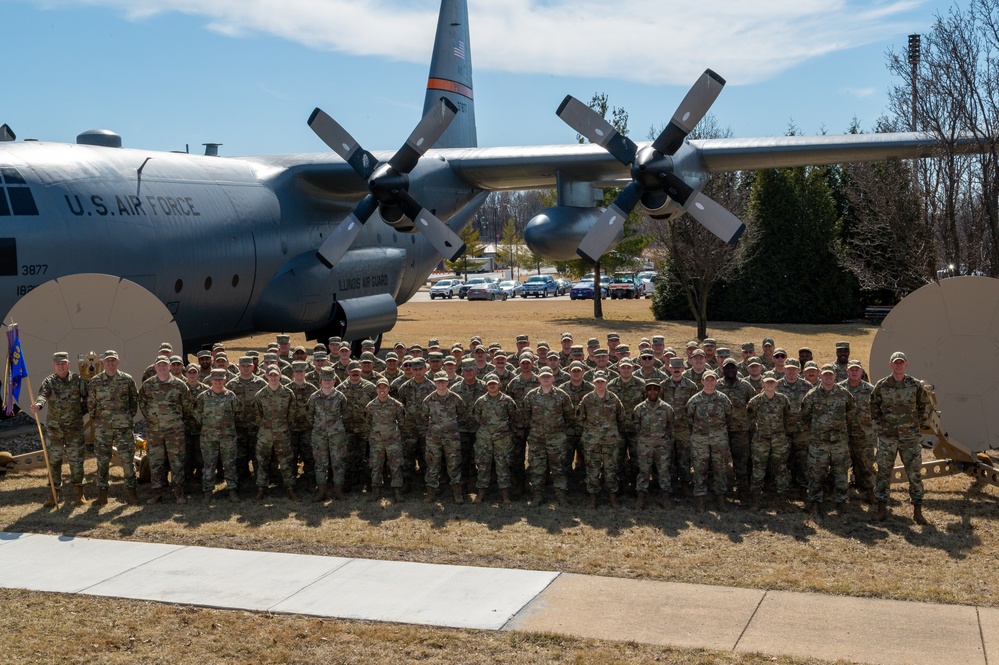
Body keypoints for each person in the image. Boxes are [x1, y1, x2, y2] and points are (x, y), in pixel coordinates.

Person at [872, 352, 932, 524]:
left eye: (901, 363)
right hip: (887, 438)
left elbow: (925, 406)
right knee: (883, 473)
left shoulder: (914, 385)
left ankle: (918, 511)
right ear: (890, 364)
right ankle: (882, 509)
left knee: (914, 474)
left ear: (906, 365)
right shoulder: (882, 385)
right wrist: (881, 426)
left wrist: (915, 424)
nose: (898, 366)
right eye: (895, 363)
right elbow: (873, 406)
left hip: (909, 438)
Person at [32, 351, 89, 505]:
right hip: (55, 429)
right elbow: (43, 395)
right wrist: (38, 404)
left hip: (74, 429)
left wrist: (79, 412)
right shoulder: (49, 381)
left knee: (76, 461)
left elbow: (88, 399)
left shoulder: (78, 381)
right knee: (54, 461)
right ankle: (54, 493)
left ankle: (79, 493)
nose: (61, 366)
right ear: (53, 366)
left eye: (63, 363)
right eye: (58, 364)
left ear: (68, 364)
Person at [799, 364, 857, 517]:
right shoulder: (812, 395)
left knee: (841, 473)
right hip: (819, 443)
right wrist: (815, 430)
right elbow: (804, 415)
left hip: (839, 442)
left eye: (831, 374)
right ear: (820, 376)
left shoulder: (844, 394)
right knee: (816, 474)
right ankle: (815, 501)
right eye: (825, 375)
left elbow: (851, 412)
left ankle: (842, 502)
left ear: (835, 376)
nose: (828, 377)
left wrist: (842, 428)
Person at [88, 350, 139, 506]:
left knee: (127, 460)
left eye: (113, 360)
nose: (110, 363)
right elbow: (91, 404)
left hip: (123, 427)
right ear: (103, 363)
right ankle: (102, 494)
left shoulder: (127, 380)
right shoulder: (95, 381)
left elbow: (133, 401)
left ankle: (131, 494)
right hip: (103, 428)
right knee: (102, 461)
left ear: (118, 362)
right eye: (107, 361)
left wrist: (126, 418)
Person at [139, 356, 193, 505]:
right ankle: (157, 493)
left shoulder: (179, 385)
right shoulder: (147, 385)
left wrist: (175, 420)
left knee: (177, 462)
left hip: (174, 431)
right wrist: (153, 419)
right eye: (159, 366)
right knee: (156, 462)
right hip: (154, 431)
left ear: (169, 367)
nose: (162, 368)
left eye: (164, 365)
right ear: (155, 368)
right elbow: (142, 404)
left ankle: (179, 493)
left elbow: (187, 406)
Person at [521, 367, 574, 507]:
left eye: (548, 376)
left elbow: (569, 416)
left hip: (557, 439)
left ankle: (561, 496)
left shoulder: (562, 396)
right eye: (543, 376)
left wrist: (561, 433)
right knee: (537, 468)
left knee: (559, 468)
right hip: (537, 439)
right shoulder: (531, 396)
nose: (545, 378)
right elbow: (525, 417)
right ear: (538, 379)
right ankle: (537, 496)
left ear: (553, 378)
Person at [576, 372, 625, 508]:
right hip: (592, 442)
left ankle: (612, 497)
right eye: (597, 382)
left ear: (607, 382)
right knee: (592, 470)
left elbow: (621, 418)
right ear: (593, 383)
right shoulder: (587, 399)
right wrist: (589, 432)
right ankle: (593, 497)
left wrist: (613, 433)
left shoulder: (613, 399)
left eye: (602, 382)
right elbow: (580, 418)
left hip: (610, 442)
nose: (600, 384)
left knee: (611, 470)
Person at [687, 370, 733, 513]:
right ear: (702, 381)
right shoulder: (694, 400)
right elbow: (689, 418)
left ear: (716, 382)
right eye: (707, 380)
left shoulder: (723, 399)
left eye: (712, 380)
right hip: (700, 440)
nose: (709, 382)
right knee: (700, 469)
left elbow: (729, 416)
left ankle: (720, 500)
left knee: (720, 469)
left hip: (719, 440)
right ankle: (700, 500)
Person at [747, 372, 792, 511]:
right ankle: (755, 501)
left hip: (779, 440)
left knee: (781, 469)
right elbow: (750, 418)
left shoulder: (783, 400)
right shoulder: (755, 401)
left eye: (772, 382)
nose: (770, 384)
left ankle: (783, 501)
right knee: (758, 471)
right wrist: (759, 432)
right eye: (767, 382)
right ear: (763, 384)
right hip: (761, 440)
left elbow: (787, 417)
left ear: (776, 383)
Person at [194, 368, 239, 502]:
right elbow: (196, 412)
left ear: (225, 380)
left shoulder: (231, 396)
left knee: (229, 464)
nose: (218, 382)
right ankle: (208, 491)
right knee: (209, 464)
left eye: (220, 379)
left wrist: (228, 424)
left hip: (227, 436)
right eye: (215, 379)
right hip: (208, 436)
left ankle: (231, 490)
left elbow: (238, 411)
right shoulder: (203, 396)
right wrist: (206, 422)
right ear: (211, 380)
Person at [253, 368, 298, 502]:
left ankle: (290, 489)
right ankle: (261, 489)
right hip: (265, 435)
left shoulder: (288, 393)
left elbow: (292, 413)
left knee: (286, 462)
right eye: (270, 375)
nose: (273, 378)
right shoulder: (260, 395)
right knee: (262, 462)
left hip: (282, 433)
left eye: (275, 375)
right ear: (266, 376)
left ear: (280, 375)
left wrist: (283, 426)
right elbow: (258, 415)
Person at [422, 371, 466, 503]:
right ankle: (431, 493)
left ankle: (457, 494)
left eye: (443, 381)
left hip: (451, 437)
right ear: (434, 383)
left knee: (454, 464)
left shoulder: (455, 398)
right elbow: (424, 416)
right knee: (432, 464)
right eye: (438, 381)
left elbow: (462, 413)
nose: (441, 383)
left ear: (448, 382)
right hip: (433, 438)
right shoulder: (428, 400)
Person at [306, 366, 348, 501]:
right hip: (319, 434)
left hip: (337, 434)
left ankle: (338, 490)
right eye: (325, 380)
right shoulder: (314, 397)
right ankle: (322, 491)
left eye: (330, 380)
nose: (327, 382)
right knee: (320, 463)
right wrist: (318, 426)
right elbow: (309, 415)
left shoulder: (340, 397)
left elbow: (345, 414)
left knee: (338, 462)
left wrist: (336, 427)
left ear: (334, 381)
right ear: (320, 381)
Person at [632, 380, 675, 509]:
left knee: (663, 472)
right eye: (649, 389)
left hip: (662, 446)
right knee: (644, 471)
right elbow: (635, 427)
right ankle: (641, 498)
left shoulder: (666, 408)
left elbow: (671, 428)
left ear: (659, 391)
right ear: (646, 392)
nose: (652, 392)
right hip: (644, 446)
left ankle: (665, 497)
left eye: (655, 389)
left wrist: (667, 444)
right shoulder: (639, 408)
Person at [839, 359, 876, 504]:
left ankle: (870, 493)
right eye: (851, 370)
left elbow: (878, 410)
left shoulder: (871, 390)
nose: (854, 372)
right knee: (841, 466)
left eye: (857, 370)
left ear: (861, 372)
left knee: (866, 465)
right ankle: (843, 495)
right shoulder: (839, 389)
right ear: (847, 371)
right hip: (844, 435)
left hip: (864, 436)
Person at [366, 377, 406, 501]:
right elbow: (368, 422)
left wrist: (395, 435)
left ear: (388, 388)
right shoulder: (371, 406)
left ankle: (398, 491)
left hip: (393, 440)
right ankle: (376, 491)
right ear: (376, 389)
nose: (382, 390)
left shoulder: (396, 405)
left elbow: (402, 421)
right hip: (376, 441)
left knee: (396, 465)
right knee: (376, 465)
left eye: (384, 387)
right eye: (379, 387)